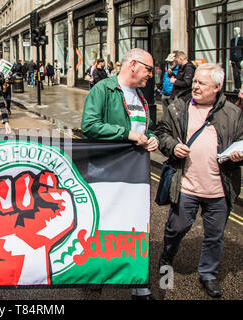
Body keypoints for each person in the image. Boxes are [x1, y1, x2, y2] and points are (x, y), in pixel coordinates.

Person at [155, 63, 243, 298]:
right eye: (194, 81)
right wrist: (173, 146)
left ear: (217, 87)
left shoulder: (233, 113)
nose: (195, 86)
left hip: (220, 188)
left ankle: (208, 274)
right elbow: (161, 132)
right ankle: (167, 256)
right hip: (186, 186)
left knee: (215, 235)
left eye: (201, 83)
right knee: (177, 227)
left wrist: (238, 155)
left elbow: (242, 140)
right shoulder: (178, 107)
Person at [81, 48, 159, 300]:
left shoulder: (142, 96)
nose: (151, 75)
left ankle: (138, 283)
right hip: (106, 170)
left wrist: (153, 138)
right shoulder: (103, 89)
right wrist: (125, 134)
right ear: (133, 65)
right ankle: (96, 274)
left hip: (134, 171)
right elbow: (89, 125)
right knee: (102, 224)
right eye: (149, 69)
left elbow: (149, 128)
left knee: (136, 224)